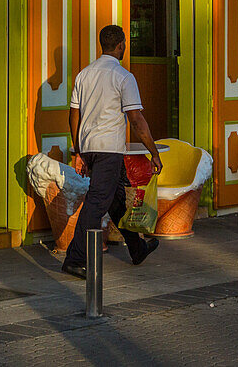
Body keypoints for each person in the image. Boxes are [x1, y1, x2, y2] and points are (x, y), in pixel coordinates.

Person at [61, 25, 162, 279]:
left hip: (91, 148)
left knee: (115, 202)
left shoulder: (84, 75)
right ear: (121, 46)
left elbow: (74, 115)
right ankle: (74, 259)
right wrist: (154, 152)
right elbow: (137, 120)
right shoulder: (124, 77)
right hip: (109, 150)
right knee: (96, 204)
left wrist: (79, 150)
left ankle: (137, 249)